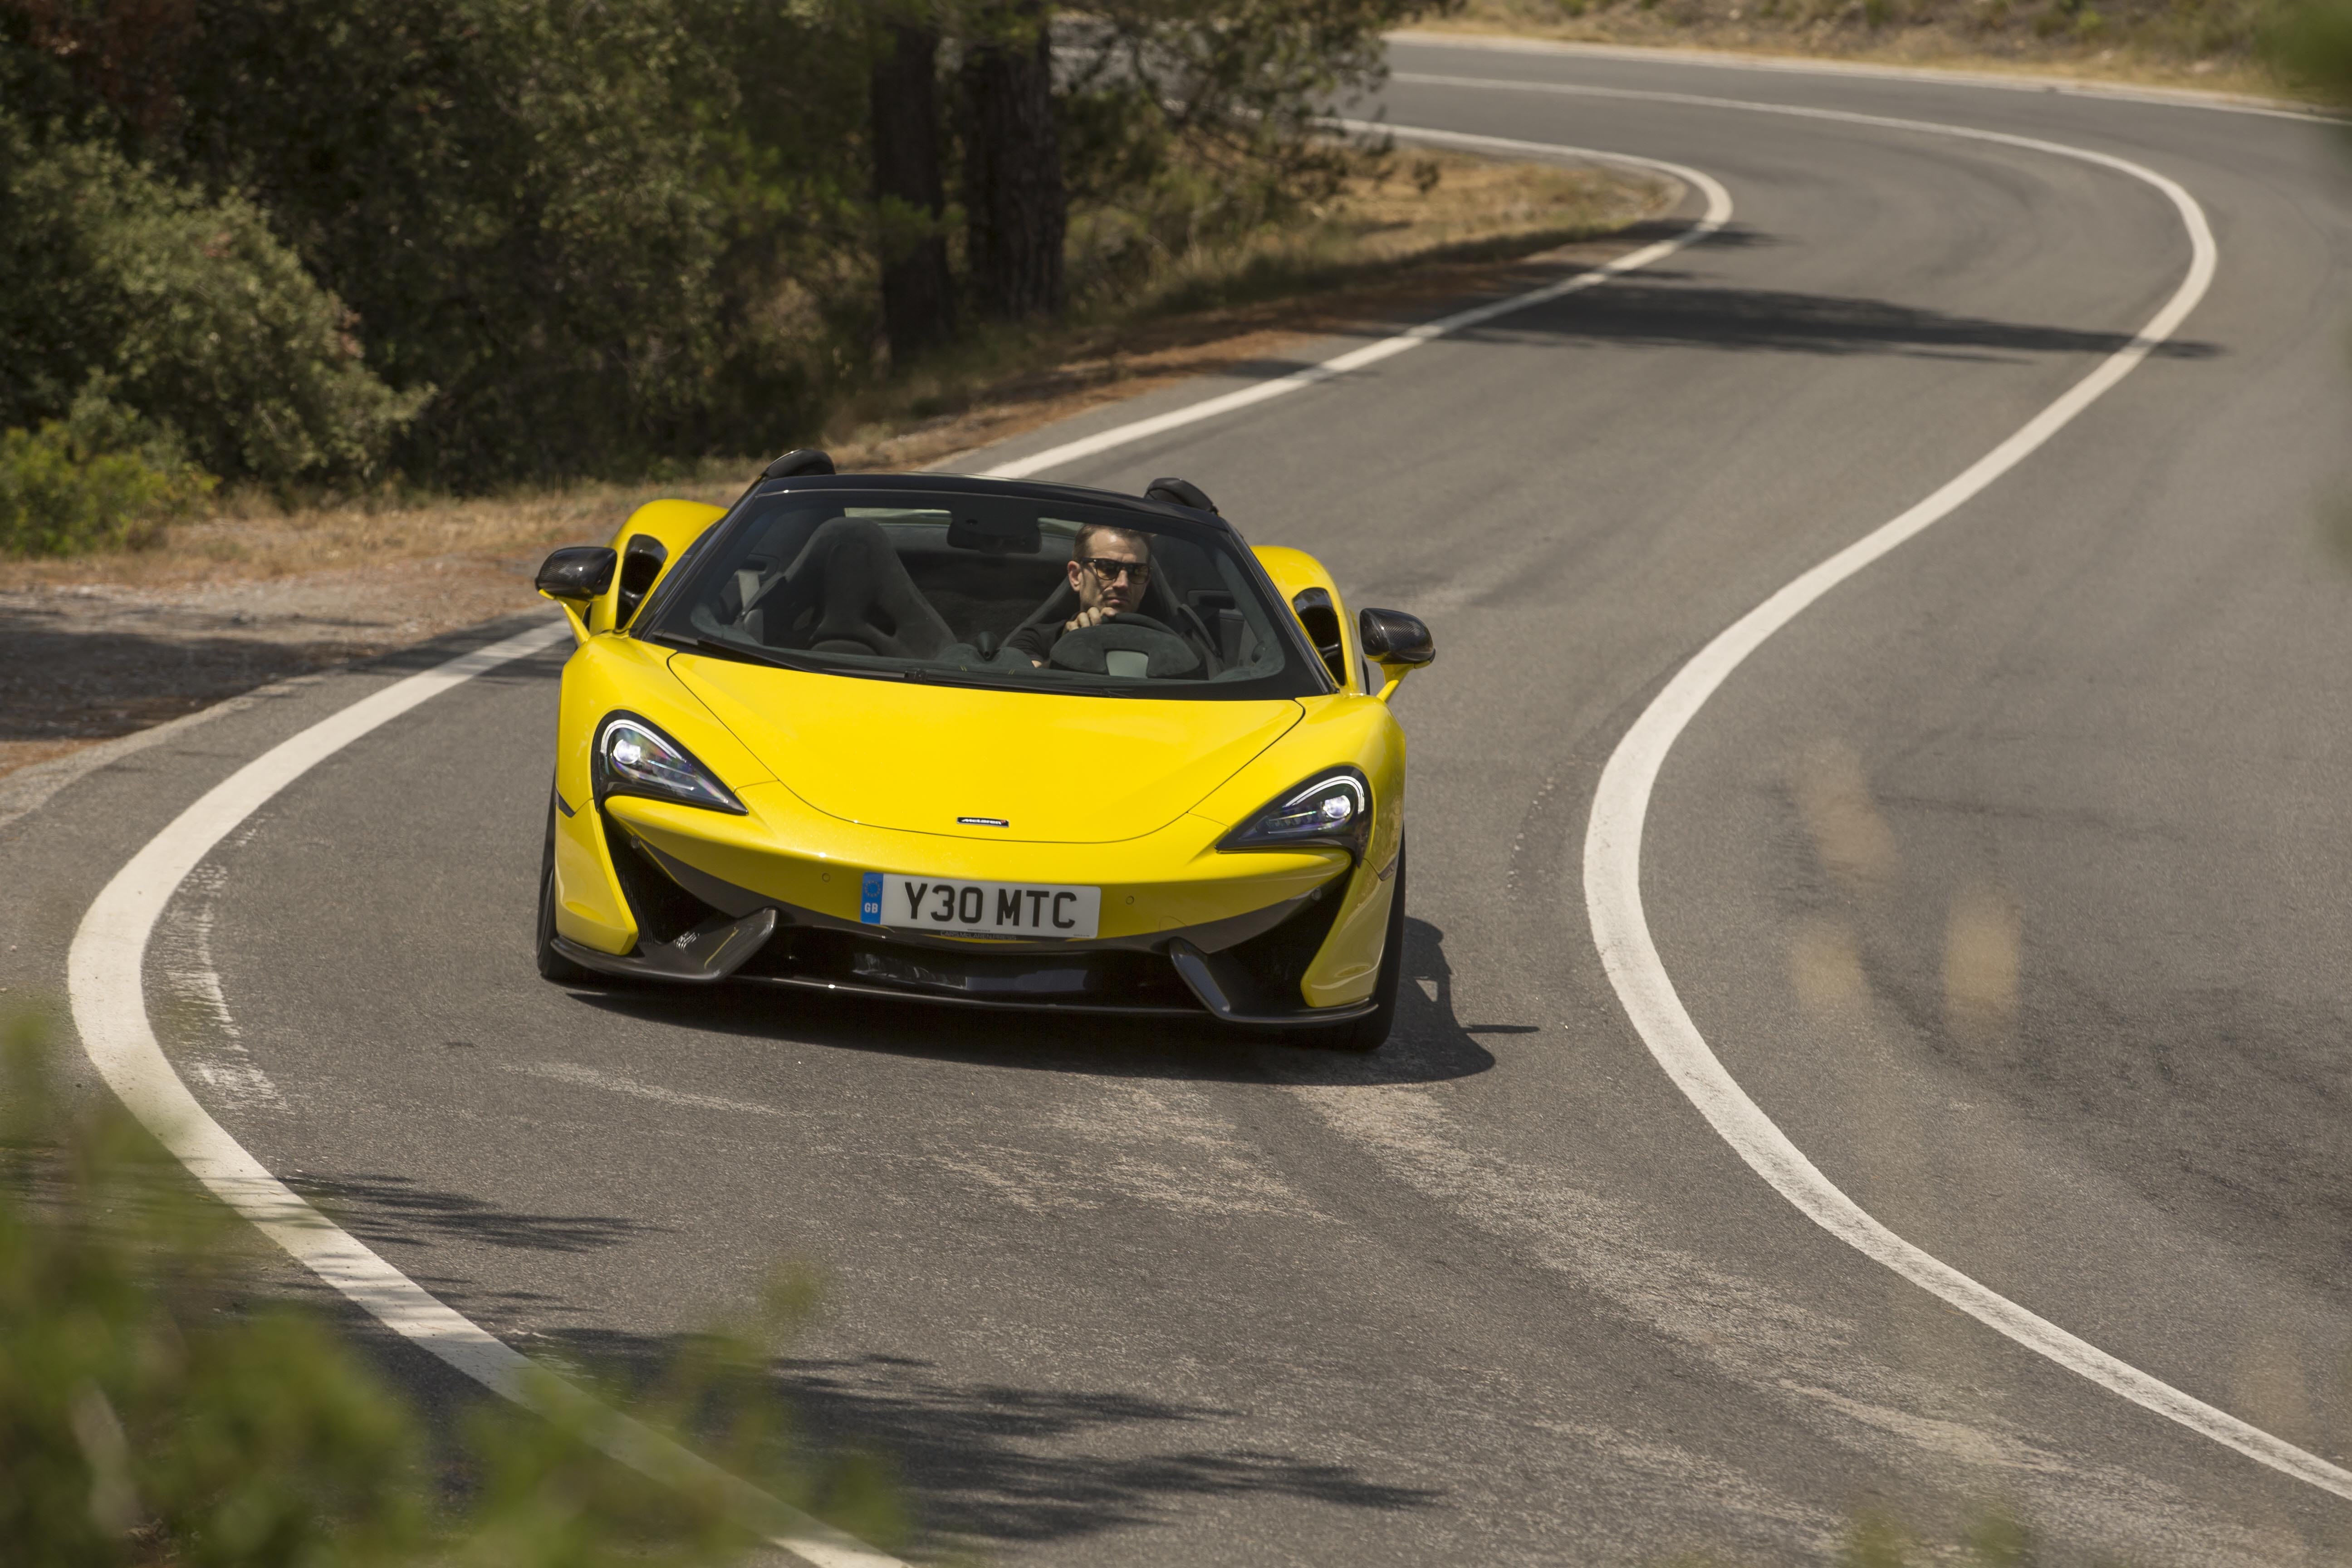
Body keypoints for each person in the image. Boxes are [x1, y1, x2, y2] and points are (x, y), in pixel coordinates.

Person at [1006, 523, 1155, 666]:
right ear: (1076, 576)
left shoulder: (1172, 646)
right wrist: (1065, 652)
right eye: (1107, 568)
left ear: (1145, 583)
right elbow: (1022, 683)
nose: (1123, 584)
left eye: (1136, 572)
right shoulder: (1036, 641)